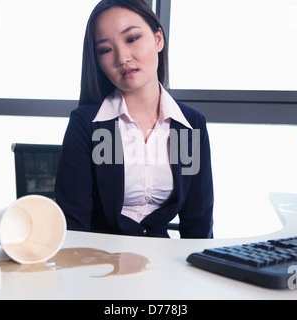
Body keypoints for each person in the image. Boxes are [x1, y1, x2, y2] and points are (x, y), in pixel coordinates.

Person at [55, 0, 213, 238]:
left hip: (164, 265)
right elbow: (74, 225)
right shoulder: (88, 124)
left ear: (158, 39)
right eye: (106, 50)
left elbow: (198, 224)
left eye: (132, 39)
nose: (122, 57)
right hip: (99, 262)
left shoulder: (189, 125)